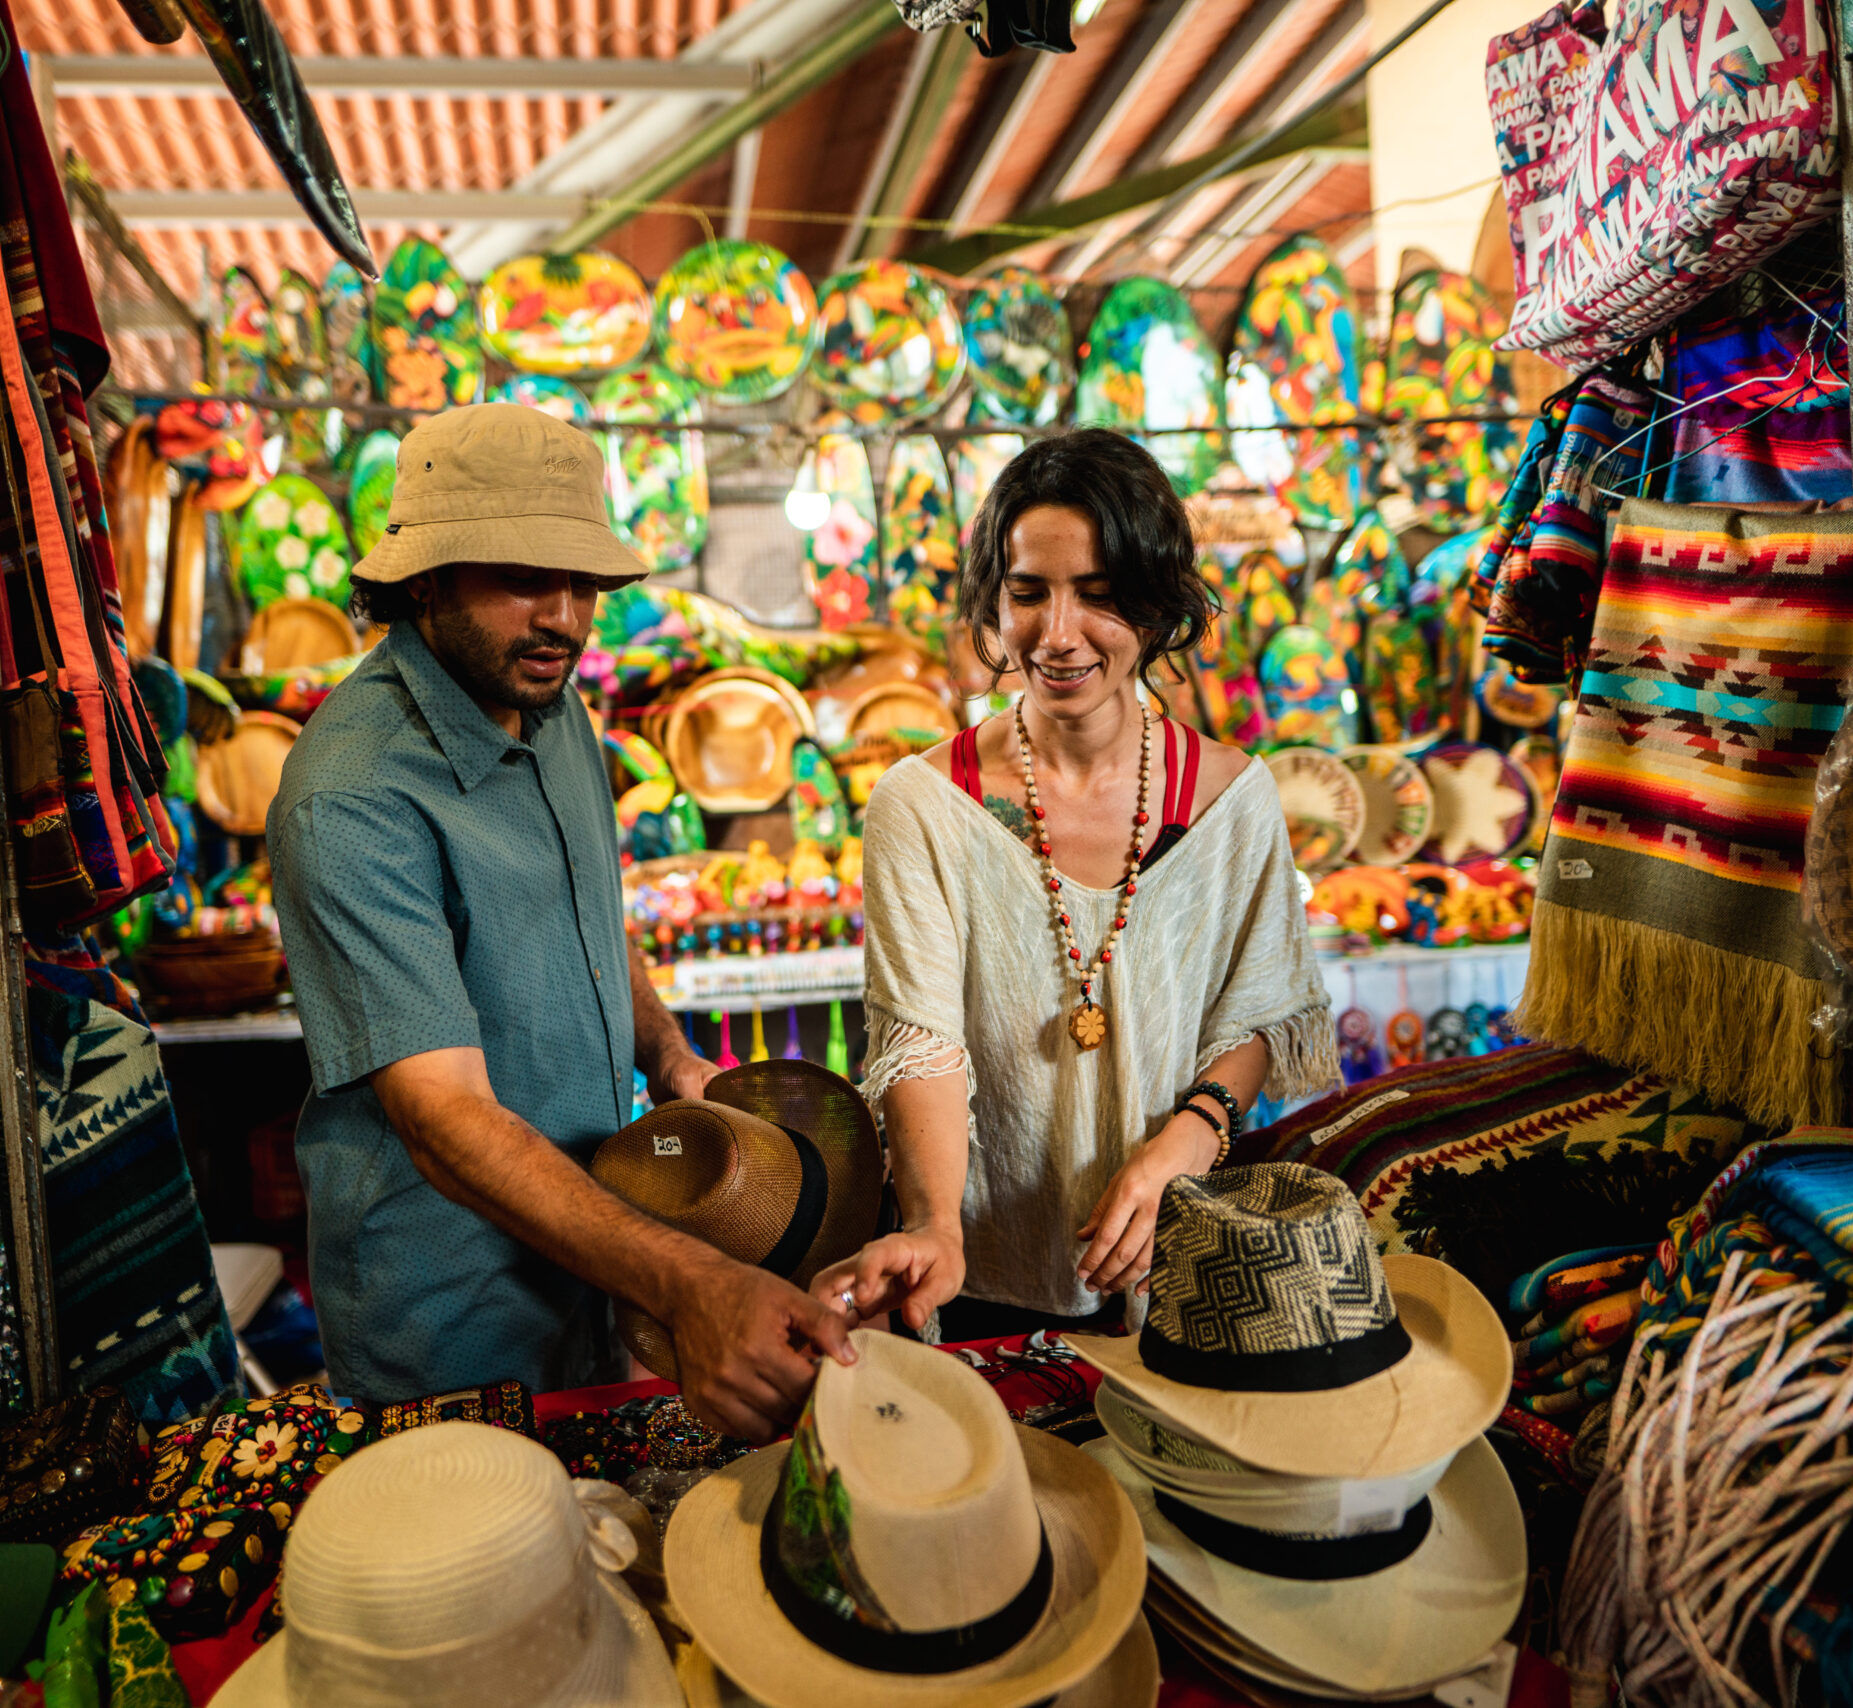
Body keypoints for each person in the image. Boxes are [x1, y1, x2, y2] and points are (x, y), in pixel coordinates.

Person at [268, 403, 852, 1437]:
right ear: (425, 578)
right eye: (525, 578)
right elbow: (443, 1119)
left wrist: (670, 1058)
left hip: (597, 1273)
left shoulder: (549, 701)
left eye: (582, 582)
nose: (566, 618)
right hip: (454, 1327)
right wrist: (689, 1283)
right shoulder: (353, 795)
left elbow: (589, 914)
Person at [815, 429, 1339, 1341]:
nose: (1058, 636)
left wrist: (1191, 1136)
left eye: (1099, 595)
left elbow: (1259, 1011)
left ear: (1157, 603)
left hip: (1183, 1258)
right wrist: (935, 1225)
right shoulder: (927, 804)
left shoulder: (1230, 799)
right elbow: (922, 1040)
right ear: (995, 598)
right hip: (980, 1268)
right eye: (1028, 593)